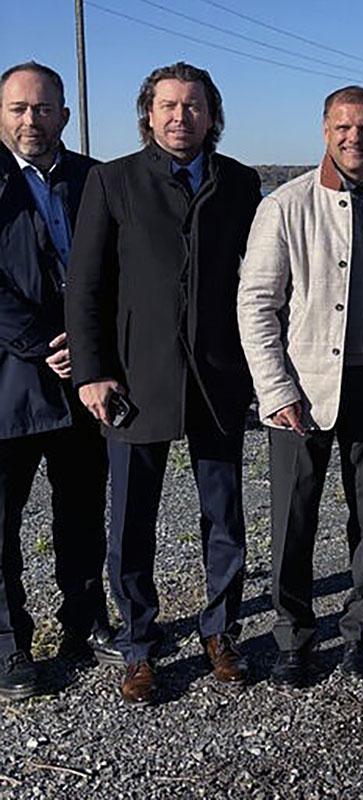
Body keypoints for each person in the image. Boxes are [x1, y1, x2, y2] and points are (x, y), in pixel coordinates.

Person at [65, 62, 260, 706]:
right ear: (148, 113)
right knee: (131, 521)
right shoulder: (113, 181)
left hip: (217, 379)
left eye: (195, 106)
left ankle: (221, 632)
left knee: (225, 514)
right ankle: (140, 645)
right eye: (170, 106)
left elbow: (256, 283)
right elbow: (86, 284)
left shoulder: (239, 183)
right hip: (135, 380)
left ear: (213, 114)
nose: (182, 117)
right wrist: (92, 370)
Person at [238, 86, 363, 686]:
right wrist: (275, 387)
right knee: (293, 518)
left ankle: (360, 628)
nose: (354, 137)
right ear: (324, 130)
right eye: (343, 126)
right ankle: (293, 634)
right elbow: (256, 302)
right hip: (302, 389)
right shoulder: (286, 205)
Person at [0, 61, 120, 700]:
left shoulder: (92, 178)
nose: (31, 120)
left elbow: (115, 267)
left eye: (43, 108)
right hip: (11, 382)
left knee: (80, 512)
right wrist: (40, 342)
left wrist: (94, 345)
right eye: (18, 108)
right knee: (1, 524)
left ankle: (85, 621)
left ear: (64, 115)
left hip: (84, 381)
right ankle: (9, 644)